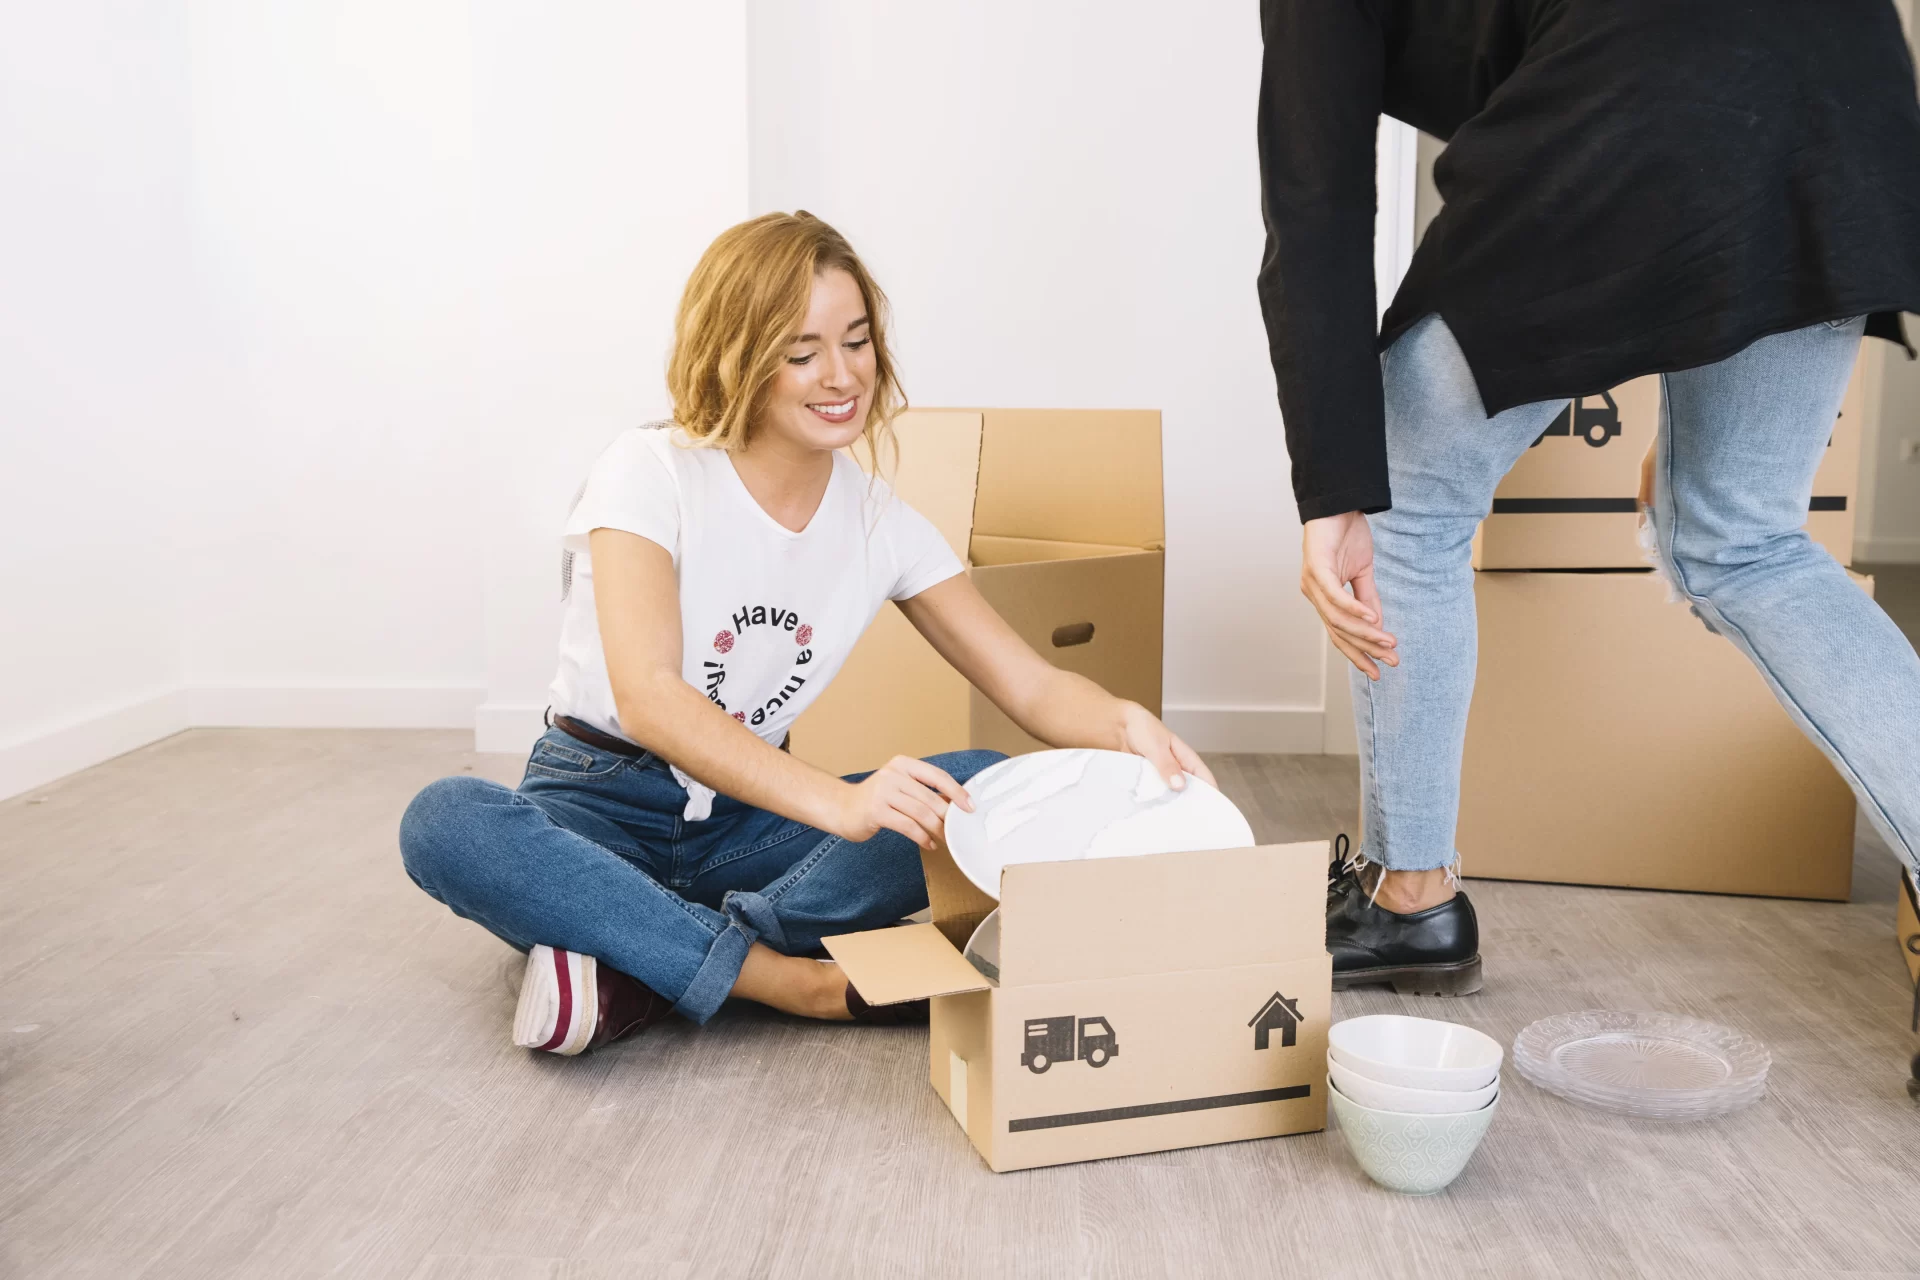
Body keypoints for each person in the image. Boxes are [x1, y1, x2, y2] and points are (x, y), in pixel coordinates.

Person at [400, 212, 1210, 1054]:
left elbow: (1031, 684)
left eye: (857, 341)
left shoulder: (879, 522)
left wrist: (1126, 727)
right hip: (598, 799)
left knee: (985, 785)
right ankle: (795, 983)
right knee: (445, 819)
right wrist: (842, 801)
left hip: (750, 823)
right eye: (802, 352)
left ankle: (639, 954)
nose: (842, 375)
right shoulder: (648, 471)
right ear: (736, 354)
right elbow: (648, 698)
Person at [1257, 0, 1920, 994]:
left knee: (1401, 496)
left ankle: (1411, 900)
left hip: (1658, 80)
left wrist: (1333, 492)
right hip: (1843, 74)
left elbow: (1321, 206)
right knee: (1742, 536)